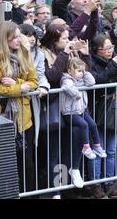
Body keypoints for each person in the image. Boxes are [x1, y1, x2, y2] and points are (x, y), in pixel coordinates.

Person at [39, 24, 91, 198]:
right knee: (55, 153)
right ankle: (56, 191)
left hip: (72, 110)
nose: (68, 41)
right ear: (55, 39)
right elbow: (52, 76)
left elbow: (86, 75)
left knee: (71, 149)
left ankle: (66, 189)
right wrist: (64, 54)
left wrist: (84, 54)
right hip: (55, 109)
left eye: (69, 38)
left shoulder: (69, 52)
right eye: (65, 38)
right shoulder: (44, 53)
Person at [0, 21, 39, 193]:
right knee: (2, 167)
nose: (19, 40)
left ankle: (29, 195)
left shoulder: (24, 52)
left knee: (27, 164)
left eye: (19, 36)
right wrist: (19, 89)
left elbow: (34, 82)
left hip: (22, 119)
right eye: (14, 37)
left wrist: (16, 83)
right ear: (4, 38)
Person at [87, 34, 117, 199]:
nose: (110, 51)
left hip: (113, 109)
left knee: (111, 150)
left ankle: (110, 182)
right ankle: (96, 184)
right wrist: (113, 65)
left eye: (111, 48)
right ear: (96, 50)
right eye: (106, 48)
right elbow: (100, 80)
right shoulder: (91, 63)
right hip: (98, 109)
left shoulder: (114, 60)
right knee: (98, 150)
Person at [60, 57, 107, 189]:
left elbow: (92, 82)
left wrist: (85, 72)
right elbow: (67, 86)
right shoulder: (66, 78)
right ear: (70, 71)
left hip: (81, 111)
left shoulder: (82, 78)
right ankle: (86, 148)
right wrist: (76, 93)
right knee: (84, 126)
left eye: (83, 71)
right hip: (70, 113)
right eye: (79, 71)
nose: (81, 73)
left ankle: (97, 146)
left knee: (92, 124)